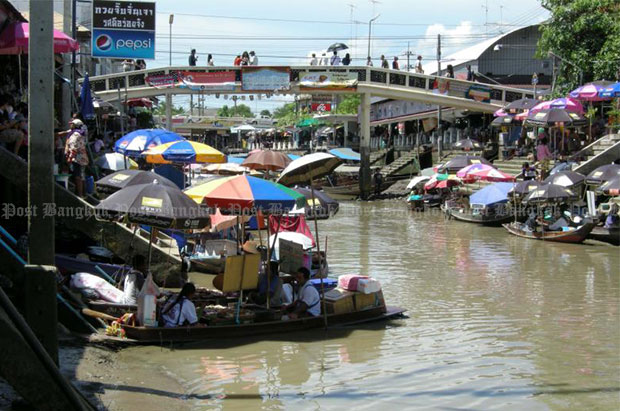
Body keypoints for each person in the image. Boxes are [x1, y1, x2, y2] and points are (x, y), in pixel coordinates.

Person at [64, 119, 89, 198]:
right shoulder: (81, 133)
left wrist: (70, 157)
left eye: (72, 124)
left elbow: (74, 147)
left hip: (78, 158)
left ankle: (80, 194)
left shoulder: (75, 134)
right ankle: (83, 194)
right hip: (83, 158)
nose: (70, 125)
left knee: (78, 177)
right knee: (82, 176)